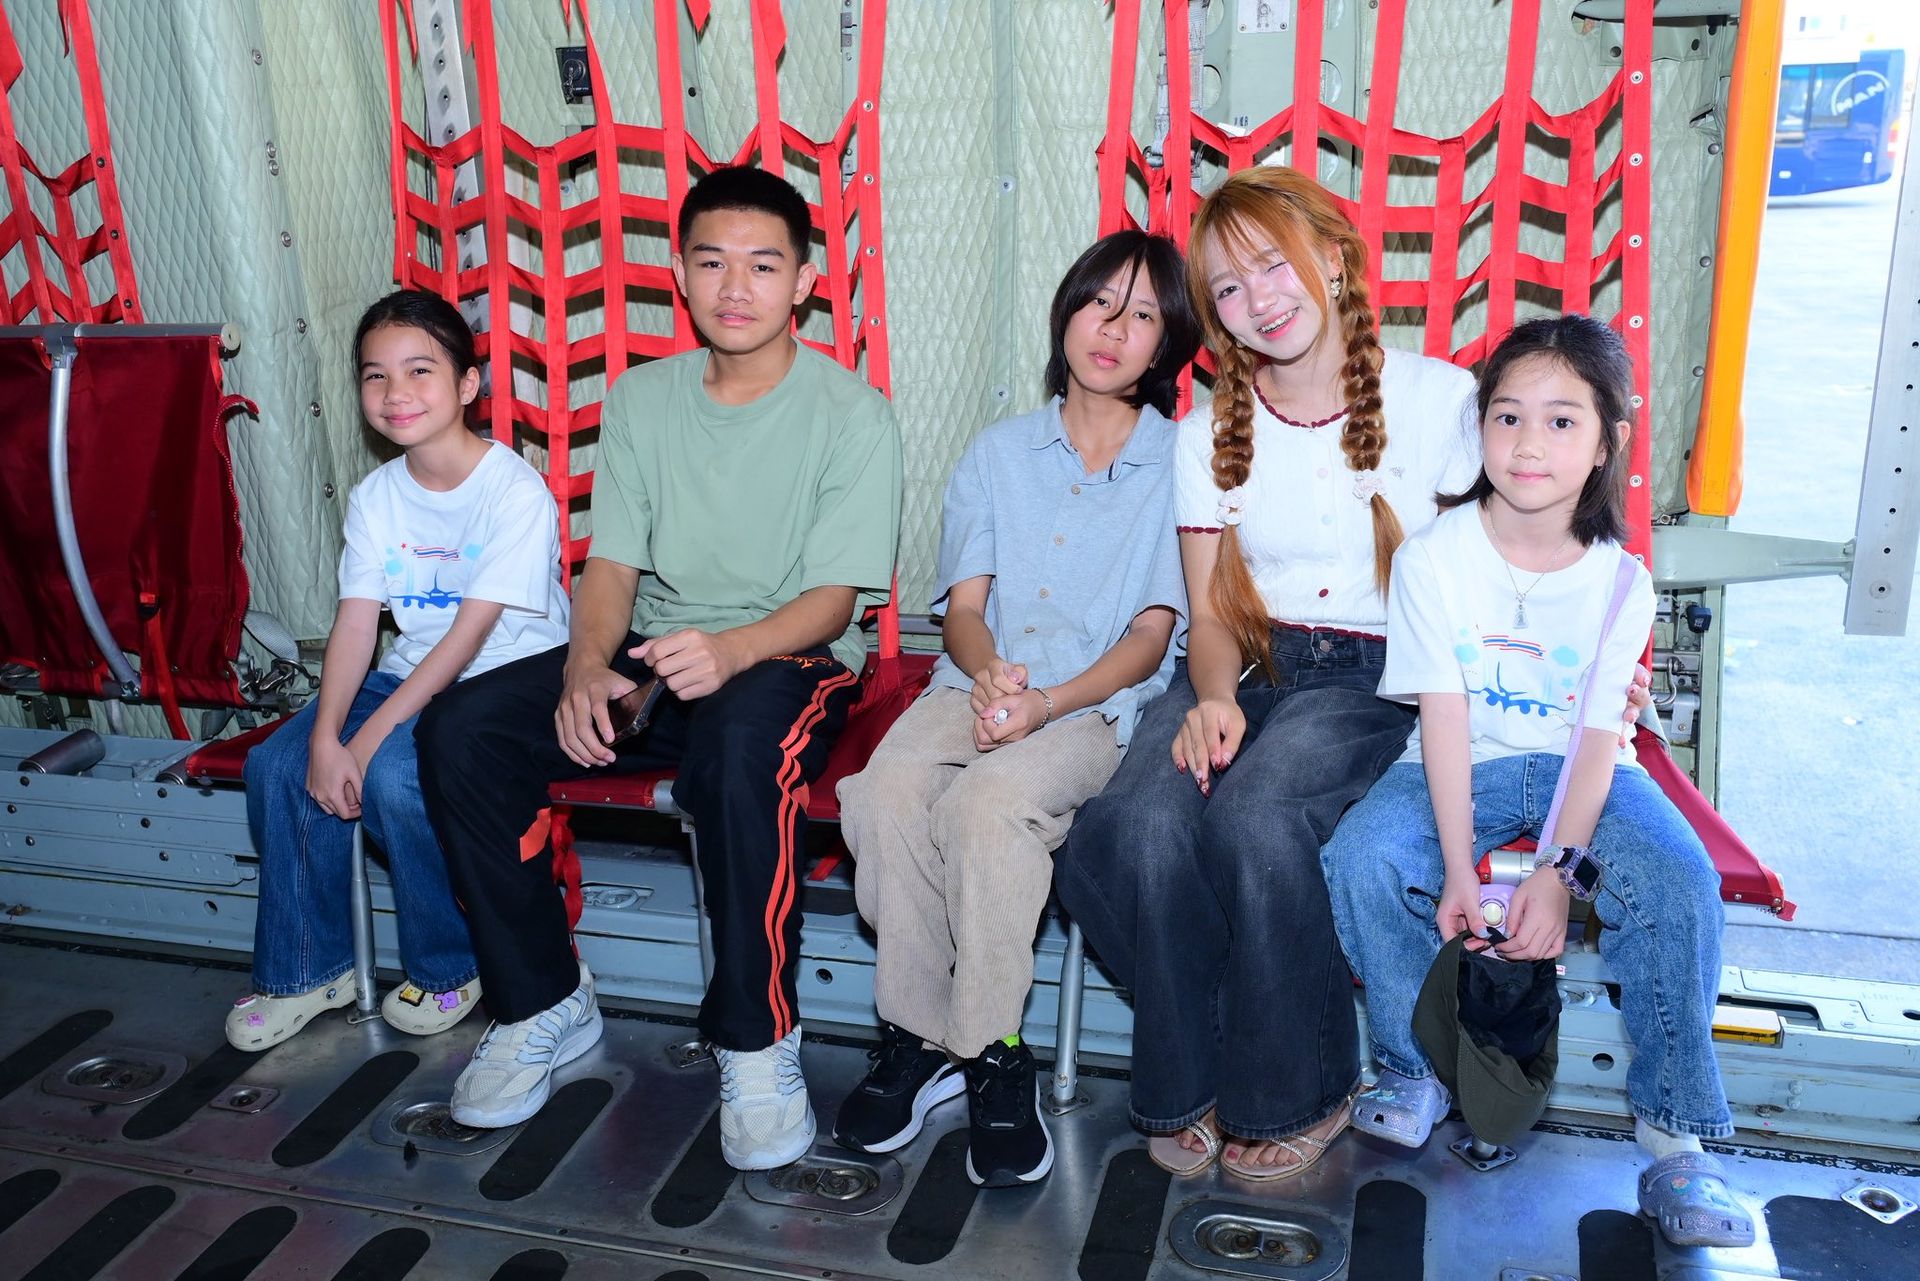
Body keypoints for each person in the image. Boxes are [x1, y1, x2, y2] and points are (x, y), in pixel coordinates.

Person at [417, 166, 902, 1173]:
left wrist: (732, 650)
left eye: (762, 265)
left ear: (804, 283)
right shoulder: (642, 399)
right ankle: (542, 1000)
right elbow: (612, 567)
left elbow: (835, 601)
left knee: (738, 751)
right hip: (657, 649)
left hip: (788, 653)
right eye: (713, 263)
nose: (736, 286)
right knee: (462, 730)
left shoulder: (851, 412)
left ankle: (756, 1039)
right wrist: (586, 667)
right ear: (679, 276)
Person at [1051, 165, 1484, 1180]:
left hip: (1375, 674)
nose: (1259, 299)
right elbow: (1208, 615)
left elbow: (1497, 572)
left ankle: (1299, 1087)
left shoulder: (1439, 399)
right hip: (1243, 661)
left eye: (1272, 266)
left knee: (1254, 816)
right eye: (1228, 288)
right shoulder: (1209, 433)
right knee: (1132, 825)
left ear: (1333, 258)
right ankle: (1196, 1065)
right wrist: (1209, 698)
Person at [1320, 314, 1753, 1249]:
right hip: (1457, 765)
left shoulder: (1621, 580)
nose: (1528, 443)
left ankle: (1675, 1132)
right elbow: (1443, 719)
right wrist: (1457, 867)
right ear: (1480, 429)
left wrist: (1560, 871)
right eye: (1508, 416)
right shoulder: (1434, 556)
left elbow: (1599, 738)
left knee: (1680, 881)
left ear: (1606, 443)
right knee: (1361, 856)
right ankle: (1411, 1063)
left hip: (1584, 775)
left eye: (1562, 421)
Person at [831, 232, 1199, 1187]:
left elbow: (1152, 637)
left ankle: (993, 1049)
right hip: (976, 685)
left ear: (1167, 344)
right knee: (882, 791)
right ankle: (921, 1040)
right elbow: (963, 609)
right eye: (1099, 303)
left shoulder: (1181, 463)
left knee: (985, 807)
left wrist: (1045, 703)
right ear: (1065, 314)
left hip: (1094, 706)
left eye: (1142, 315)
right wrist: (991, 672)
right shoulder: (997, 452)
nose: (1112, 329)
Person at [228, 289, 570, 1051]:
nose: (395, 392)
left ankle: (452, 963)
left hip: (507, 676)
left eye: (420, 370)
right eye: (375, 375)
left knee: (394, 776)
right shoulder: (376, 495)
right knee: (277, 766)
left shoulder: (512, 489)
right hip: (414, 672)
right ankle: (309, 969)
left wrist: (366, 738)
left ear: (468, 384)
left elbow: (470, 636)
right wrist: (326, 736)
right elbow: (357, 623)